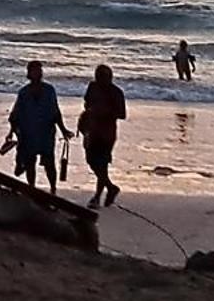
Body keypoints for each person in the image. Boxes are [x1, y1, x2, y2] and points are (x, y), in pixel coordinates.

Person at [7, 60, 70, 193]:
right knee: (30, 163)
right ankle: (32, 188)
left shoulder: (49, 91)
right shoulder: (23, 93)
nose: (38, 73)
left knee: (49, 163)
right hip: (28, 132)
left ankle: (53, 189)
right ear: (29, 74)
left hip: (46, 132)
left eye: (39, 71)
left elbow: (56, 112)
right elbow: (15, 116)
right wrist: (11, 132)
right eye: (34, 71)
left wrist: (63, 129)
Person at [78, 63, 127, 209]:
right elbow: (87, 103)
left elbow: (122, 114)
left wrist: (106, 112)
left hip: (107, 133)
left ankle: (97, 197)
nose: (100, 80)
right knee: (91, 161)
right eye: (98, 77)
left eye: (104, 77)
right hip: (92, 130)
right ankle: (110, 187)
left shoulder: (116, 92)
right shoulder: (92, 87)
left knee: (102, 164)